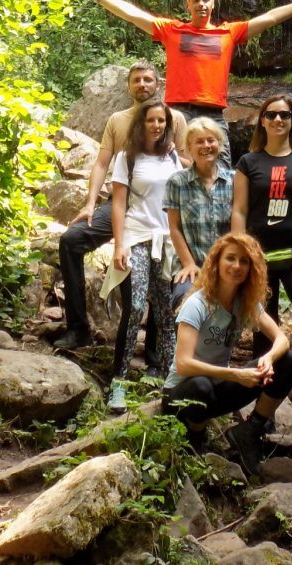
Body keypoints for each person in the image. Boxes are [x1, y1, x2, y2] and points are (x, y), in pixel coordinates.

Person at [67, 0, 292, 126]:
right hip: (177, 111)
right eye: (196, 0)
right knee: (174, 170)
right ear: (188, 5)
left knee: (221, 171)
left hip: (213, 113)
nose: (201, 4)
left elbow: (270, 18)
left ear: (213, 4)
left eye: (206, 0)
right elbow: (133, 15)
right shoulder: (171, 30)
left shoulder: (229, 32)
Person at [54, 62, 186, 350]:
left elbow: (190, 165)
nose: (142, 85)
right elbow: (102, 162)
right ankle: (78, 329)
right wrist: (90, 203)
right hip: (121, 203)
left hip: (159, 210)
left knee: (162, 267)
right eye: (136, 80)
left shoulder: (174, 119)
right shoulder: (117, 119)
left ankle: (154, 351)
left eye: (148, 80)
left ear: (158, 84)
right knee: (71, 240)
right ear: (128, 86)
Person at [162, 233, 292, 475]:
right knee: (202, 386)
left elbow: (281, 339)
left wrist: (268, 358)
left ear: (251, 269)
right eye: (230, 259)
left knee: (289, 360)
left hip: (220, 386)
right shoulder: (198, 303)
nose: (236, 266)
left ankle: (250, 431)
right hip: (182, 395)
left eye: (244, 261)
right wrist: (236, 375)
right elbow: (183, 364)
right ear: (216, 262)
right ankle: (196, 436)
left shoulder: (244, 302)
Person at [101, 99, 179, 410]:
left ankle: (173, 380)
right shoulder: (127, 157)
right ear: (141, 124)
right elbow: (118, 204)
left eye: (162, 121)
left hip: (166, 240)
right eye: (151, 121)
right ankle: (117, 383)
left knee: (166, 312)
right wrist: (119, 244)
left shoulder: (172, 156)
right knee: (134, 307)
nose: (157, 126)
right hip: (136, 236)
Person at [230, 95, 292, 351]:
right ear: (262, 121)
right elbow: (239, 210)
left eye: (285, 115)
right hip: (259, 258)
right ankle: (268, 388)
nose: (278, 119)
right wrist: (240, 253)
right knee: (264, 329)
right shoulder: (247, 163)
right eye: (271, 114)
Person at [165, 118, 235, 311]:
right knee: (184, 302)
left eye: (211, 140)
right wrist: (188, 264)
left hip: (227, 267)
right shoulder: (177, 182)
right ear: (189, 147)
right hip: (191, 264)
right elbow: (175, 228)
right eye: (199, 141)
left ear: (219, 145)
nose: (206, 146)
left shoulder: (234, 181)